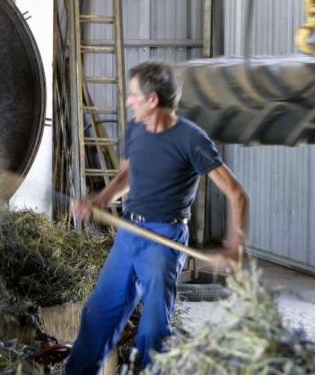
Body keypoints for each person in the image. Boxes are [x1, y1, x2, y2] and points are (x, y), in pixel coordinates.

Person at [66, 60, 250, 373]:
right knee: (98, 315)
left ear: (153, 100)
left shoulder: (191, 140)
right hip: (129, 233)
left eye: (134, 95)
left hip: (164, 239)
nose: (128, 101)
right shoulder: (136, 128)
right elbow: (128, 174)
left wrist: (234, 247)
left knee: (152, 330)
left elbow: (237, 193)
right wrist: (100, 200)